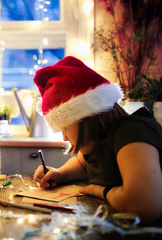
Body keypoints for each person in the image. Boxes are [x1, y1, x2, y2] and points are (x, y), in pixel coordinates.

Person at [33, 56, 162, 223]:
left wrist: (102, 191)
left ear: (85, 118)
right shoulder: (101, 139)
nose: (64, 137)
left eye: (65, 128)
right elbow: (83, 163)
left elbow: (144, 206)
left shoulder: (130, 132)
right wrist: (59, 174)